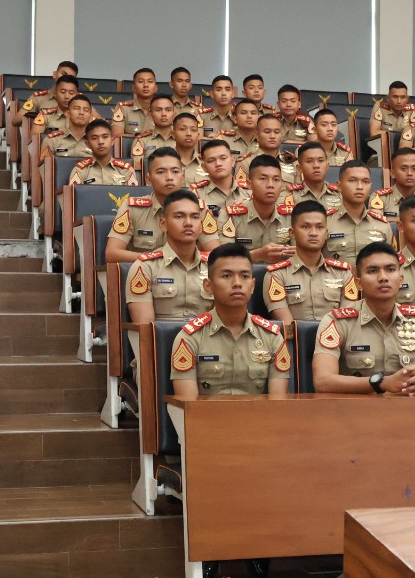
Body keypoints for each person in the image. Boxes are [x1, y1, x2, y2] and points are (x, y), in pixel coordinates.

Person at [311, 241, 415, 395]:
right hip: (355, 413)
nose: (383, 277)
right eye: (372, 271)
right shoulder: (337, 322)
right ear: (358, 283)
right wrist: (381, 383)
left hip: (410, 411)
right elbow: (323, 381)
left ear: (401, 279)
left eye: (390, 270)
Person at [170, 243, 291, 398]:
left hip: (260, 420)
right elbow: (189, 407)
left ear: (253, 286)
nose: (237, 283)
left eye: (245, 276)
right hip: (207, 421)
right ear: (208, 285)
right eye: (227, 276)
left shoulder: (272, 337)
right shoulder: (189, 338)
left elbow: (278, 404)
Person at [124, 190, 212, 324]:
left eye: (194, 217)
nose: (188, 223)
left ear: (201, 226)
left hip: (208, 343)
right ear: (163, 224)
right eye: (179, 216)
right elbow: (145, 330)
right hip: (163, 343)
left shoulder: (214, 266)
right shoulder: (144, 267)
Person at [264, 200, 353, 324]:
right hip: (295, 341)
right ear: (292, 233)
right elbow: (287, 326)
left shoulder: (343, 273)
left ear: (326, 233)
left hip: (336, 341)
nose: (313, 233)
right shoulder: (276, 275)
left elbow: (346, 323)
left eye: (320, 227)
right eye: (305, 227)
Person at [220, 155, 294, 263]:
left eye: (276, 179)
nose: (270, 185)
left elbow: (301, 258)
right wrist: (257, 255)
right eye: (263, 179)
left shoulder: (292, 216)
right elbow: (223, 259)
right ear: (249, 184)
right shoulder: (230, 216)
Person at [323, 161, 390, 263]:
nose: (360, 186)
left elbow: (391, 261)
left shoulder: (382, 224)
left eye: (365, 181)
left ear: (371, 186)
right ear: (339, 186)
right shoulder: (324, 222)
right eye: (352, 180)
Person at [366, 81, 415, 164]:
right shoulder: (380, 107)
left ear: (407, 99)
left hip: (405, 156)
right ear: (388, 97)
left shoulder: (411, 110)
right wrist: (404, 137)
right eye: (395, 97)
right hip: (381, 154)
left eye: (403, 97)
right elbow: (374, 133)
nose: (399, 101)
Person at [289, 142, 340, 212]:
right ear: (299, 168)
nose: (316, 165)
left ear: (327, 166)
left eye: (320, 160)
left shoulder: (340, 194)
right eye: (309, 161)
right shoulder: (290, 196)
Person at [113, 67, 158, 138]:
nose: (146, 85)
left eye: (150, 81)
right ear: (133, 88)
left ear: (156, 88)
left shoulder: (164, 109)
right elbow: (116, 136)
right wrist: (141, 137)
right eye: (141, 81)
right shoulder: (123, 108)